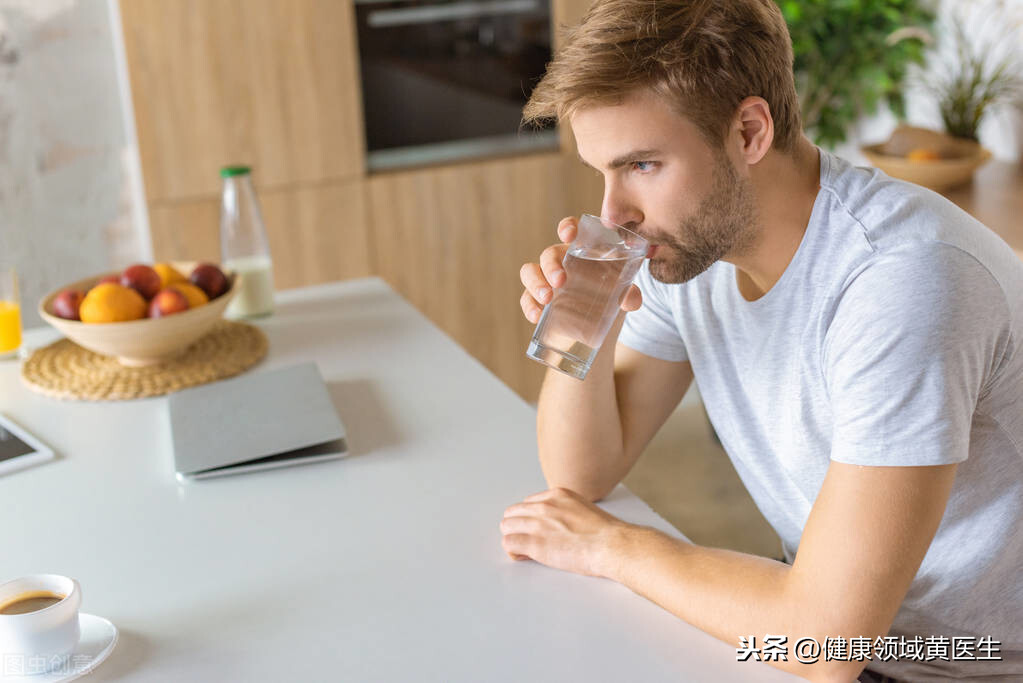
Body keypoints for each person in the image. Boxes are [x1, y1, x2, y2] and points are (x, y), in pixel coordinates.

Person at [499, 1, 1023, 681]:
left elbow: (825, 645)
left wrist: (614, 549)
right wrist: (581, 325)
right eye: (603, 171)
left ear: (748, 131)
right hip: (853, 630)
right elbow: (580, 475)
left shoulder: (901, 283)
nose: (612, 214)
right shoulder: (686, 244)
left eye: (641, 165)